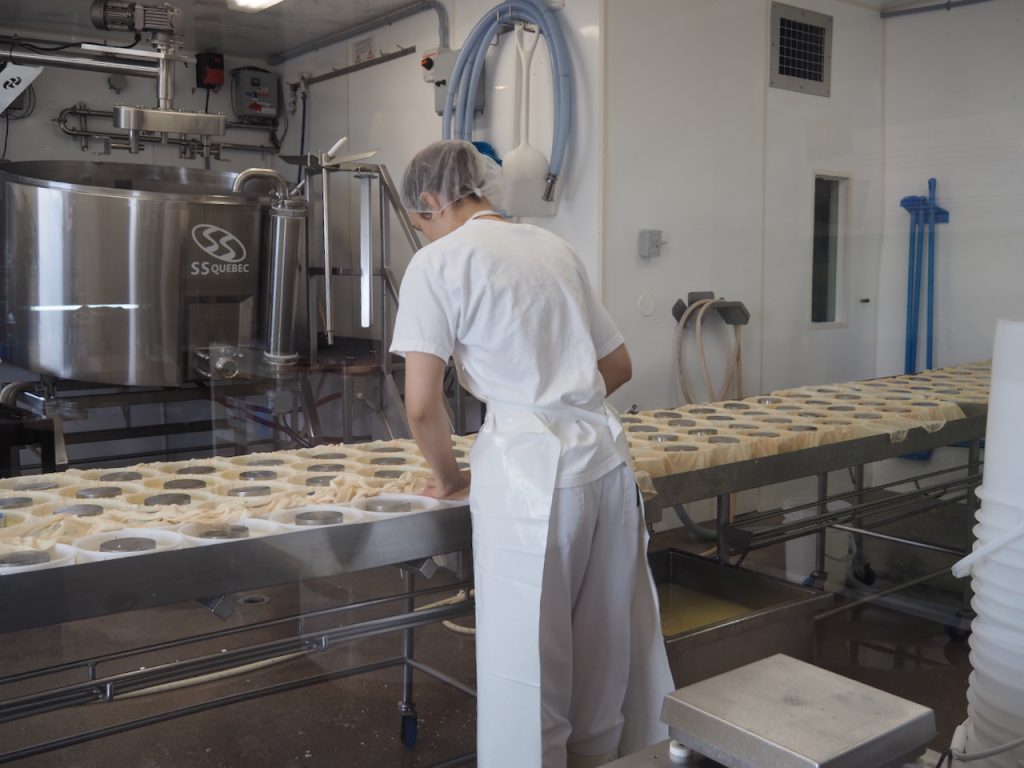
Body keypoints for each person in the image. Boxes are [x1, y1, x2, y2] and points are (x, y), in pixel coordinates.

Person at [390, 140, 673, 768]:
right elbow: (619, 364)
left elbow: (419, 404)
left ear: (433, 200)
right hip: (604, 464)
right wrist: (562, 396)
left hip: (527, 478)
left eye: (422, 220)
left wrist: (450, 477)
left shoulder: (438, 264)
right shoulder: (553, 247)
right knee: (604, 657)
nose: (425, 230)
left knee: (529, 670)